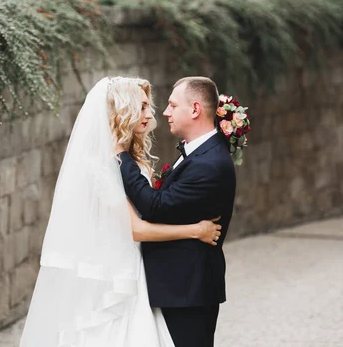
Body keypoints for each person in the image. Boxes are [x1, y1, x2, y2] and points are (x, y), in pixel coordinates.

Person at [19, 76, 221, 347]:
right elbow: (136, 229)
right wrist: (196, 230)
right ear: (123, 111)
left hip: (139, 271)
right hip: (116, 275)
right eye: (143, 107)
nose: (151, 114)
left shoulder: (130, 159)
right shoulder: (103, 167)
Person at [117, 76, 236, 347]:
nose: (165, 112)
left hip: (187, 291)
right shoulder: (198, 153)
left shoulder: (209, 164)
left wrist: (120, 155)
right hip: (175, 288)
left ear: (195, 109)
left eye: (172, 105)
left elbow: (154, 207)